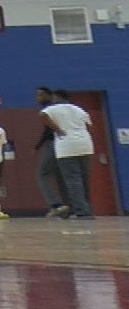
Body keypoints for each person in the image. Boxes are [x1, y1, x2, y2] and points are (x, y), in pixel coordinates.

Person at [41, 90, 95, 219]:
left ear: (57, 97)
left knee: (73, 180)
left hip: (67, 147)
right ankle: (86, 209)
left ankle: (81, 211)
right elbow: (89, 125)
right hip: (85, 145)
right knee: (83, 179)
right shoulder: (78, 109)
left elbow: (42, 115)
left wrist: (57, 129)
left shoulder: (53, 108)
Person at [33, 85, 70, 214]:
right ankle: (69, 207)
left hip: (53, 143)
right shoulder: (60, 109)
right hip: (64, 144)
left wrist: (38, 145)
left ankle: (55, 204)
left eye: (41, 94)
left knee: (41, 174)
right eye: (37, 95)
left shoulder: (48, 110)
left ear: (50, 96)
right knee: (60, 175)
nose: (38, 97)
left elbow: (49, 130)